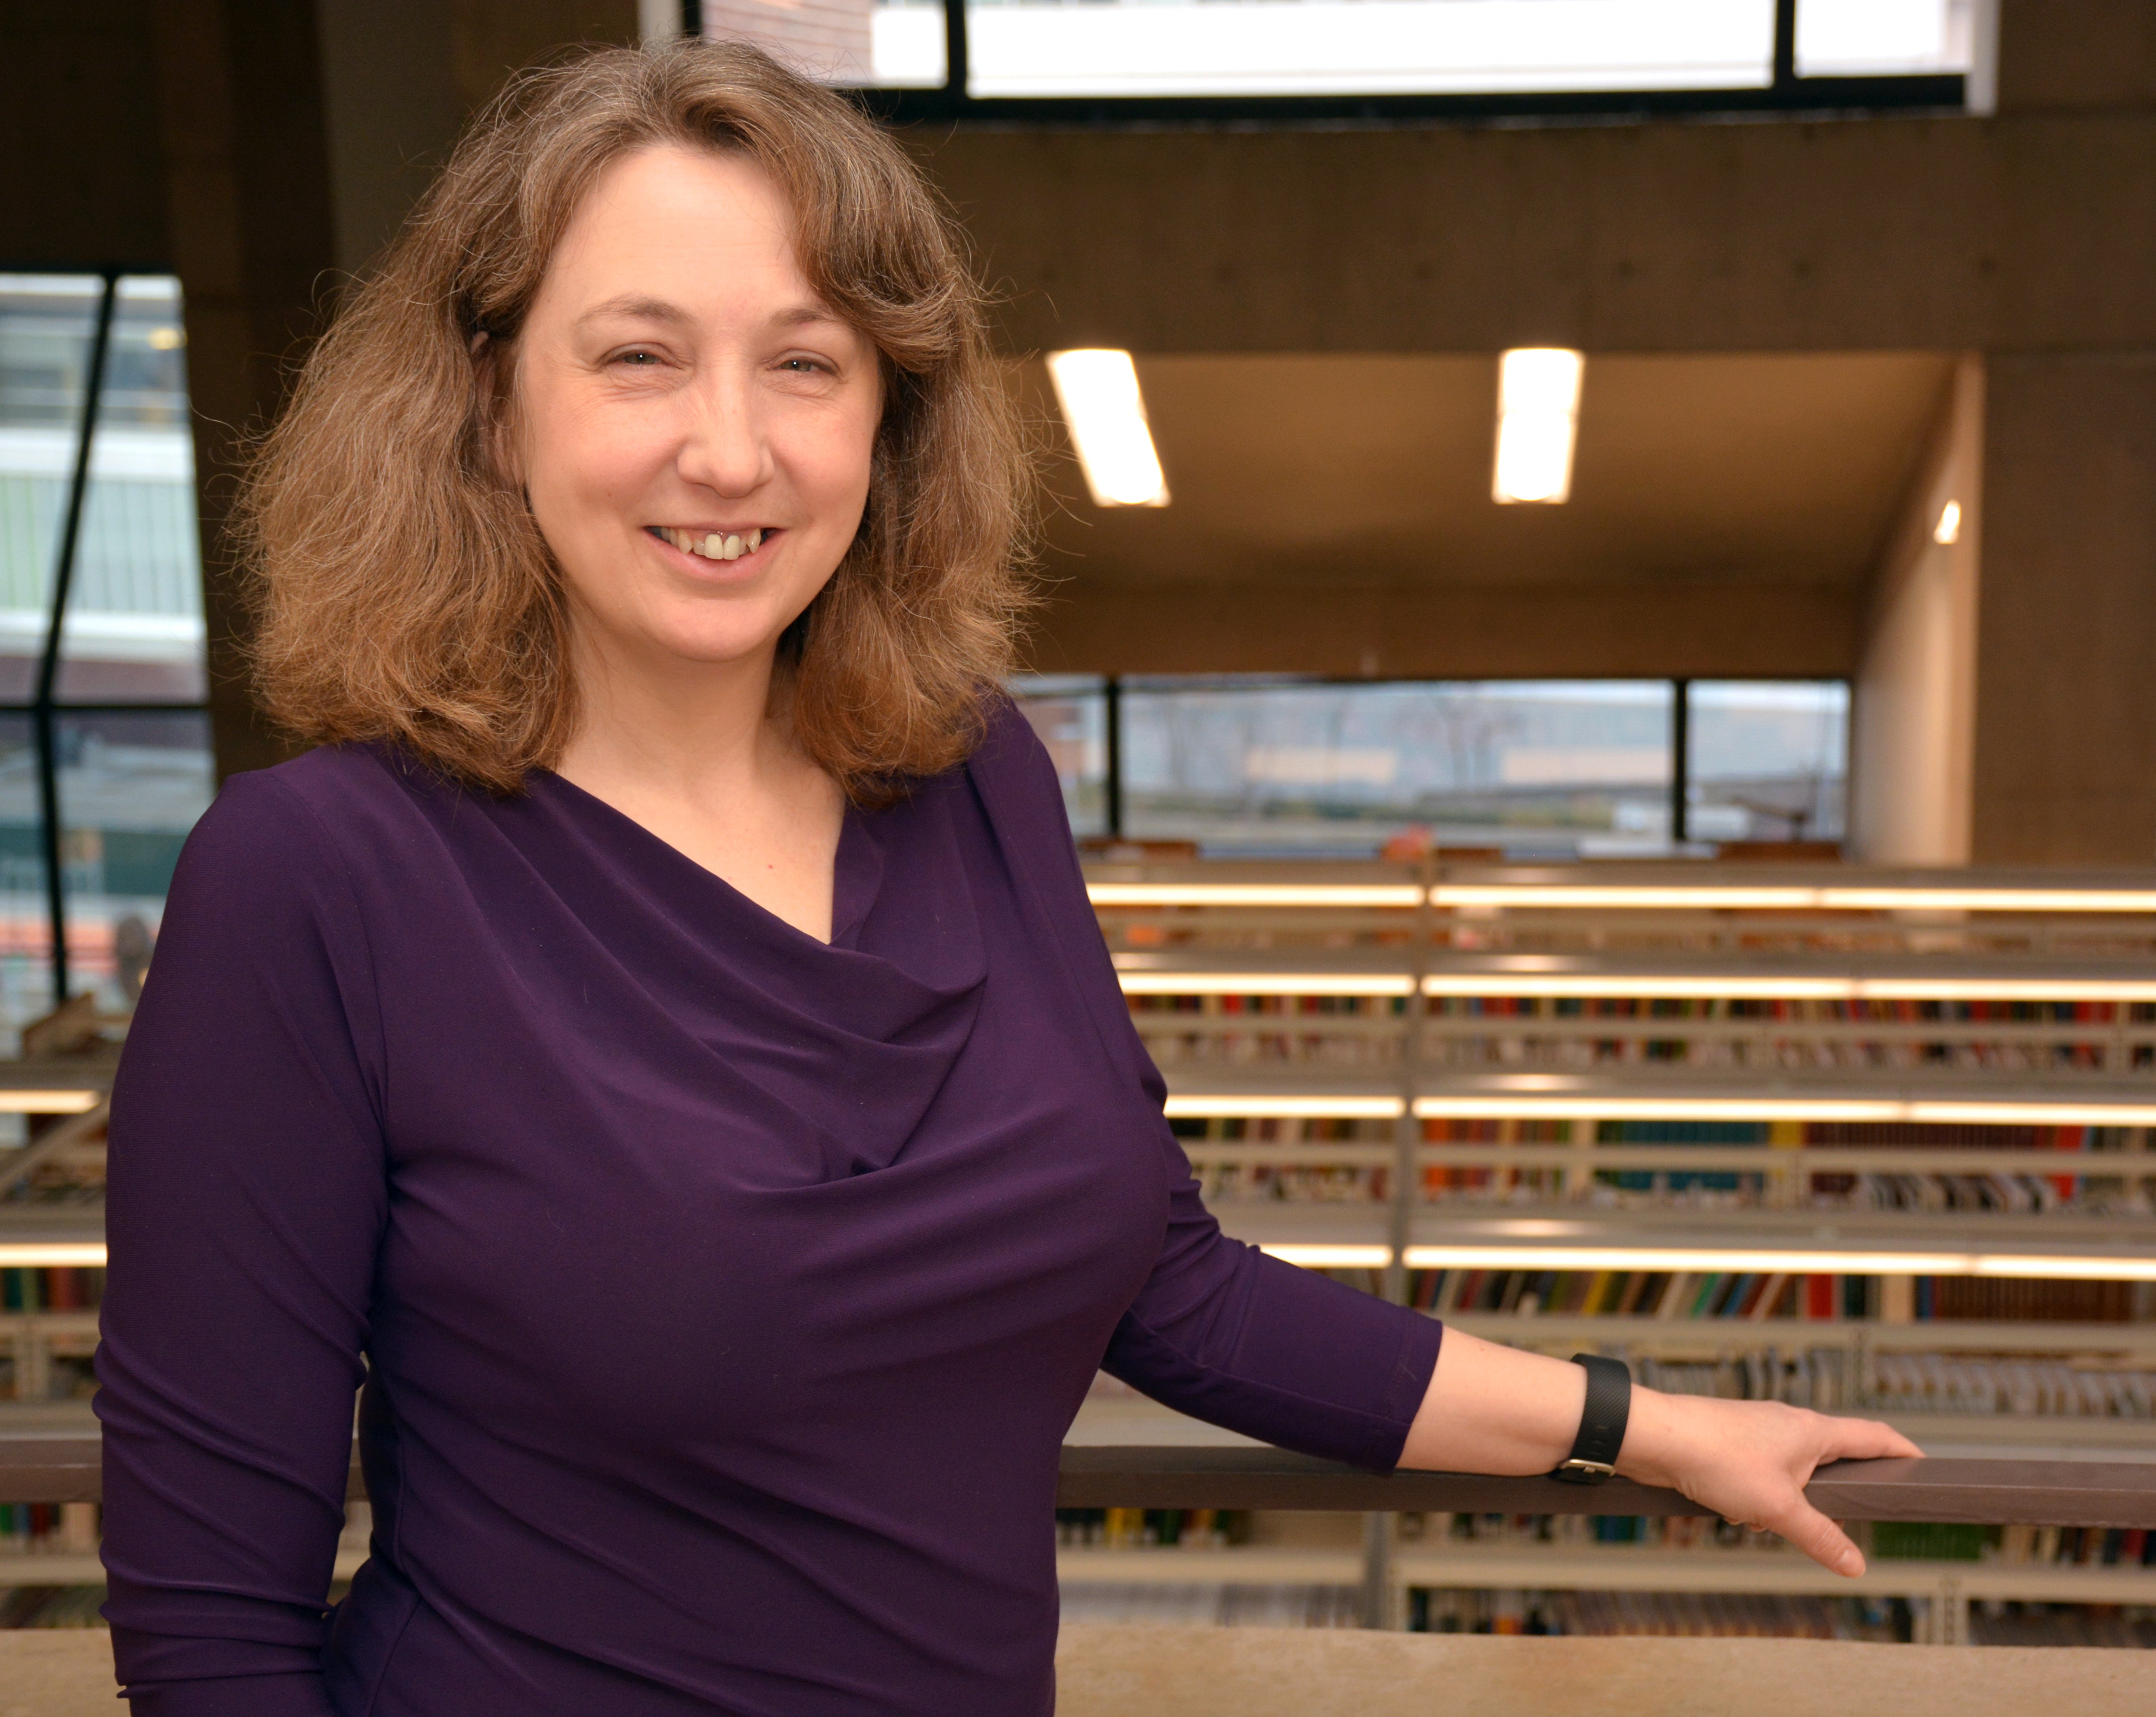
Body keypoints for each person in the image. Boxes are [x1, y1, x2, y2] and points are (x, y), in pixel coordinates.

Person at [94, 39, 1918, 1716]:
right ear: (492, 407)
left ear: (886, 427)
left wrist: (1653, 1425)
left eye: (805, 364)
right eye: (638, 354)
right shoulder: (319, 880)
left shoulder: (971, 780)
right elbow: (211, 1632)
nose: (729, 449)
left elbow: (1168, 1284)